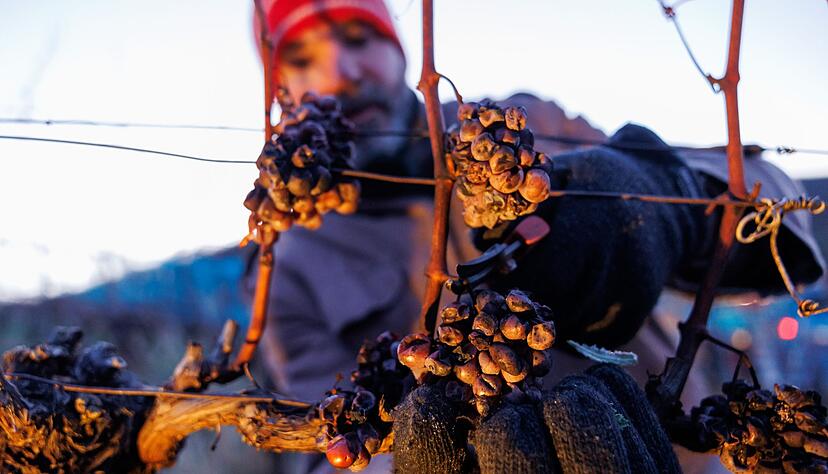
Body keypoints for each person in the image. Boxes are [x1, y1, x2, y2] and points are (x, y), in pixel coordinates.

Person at [254, 0, 824, 472]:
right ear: (279, 86)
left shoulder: (514, 131)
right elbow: (320, 445)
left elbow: (767, 190)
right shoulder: (288, 261)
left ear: (400, 47)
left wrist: (664, 201)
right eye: (303, 58)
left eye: (359, 38)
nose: (343, 73)